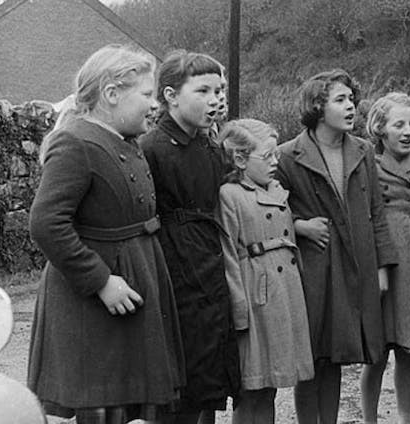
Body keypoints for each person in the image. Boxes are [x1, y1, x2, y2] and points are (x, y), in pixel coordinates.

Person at [28, 44, 185, 424]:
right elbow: (47, 222)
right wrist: (100, 281)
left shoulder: (126, 141)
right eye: (147, 95)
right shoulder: (76, 142)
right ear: (112, 94)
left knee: (128, 409)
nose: (155, 105)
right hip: (95, 300)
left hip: (135, 280)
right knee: (101, 407)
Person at [276, 69, 398, 424]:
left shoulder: (362, 151)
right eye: (340, 100)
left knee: (336, 358)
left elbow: (377, 212)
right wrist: (298, 226)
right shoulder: (287, 155)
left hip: (355, 267)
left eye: (352, 100)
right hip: (313, 271)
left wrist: (381, 268)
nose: (351, 108)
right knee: (312, 360)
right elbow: (267, 209)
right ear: (317, 106)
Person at [139, 50, 240, 424]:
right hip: (174, 272)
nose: (215, 99)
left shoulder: (211, 146)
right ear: (170, 95)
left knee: (208, 381)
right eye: (203, 91)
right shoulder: (151, 148)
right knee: (179, 389)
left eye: (219, 90)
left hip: (209, 264)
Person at [218, 119, 315, 424]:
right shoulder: (229, 195)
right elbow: (228, 255)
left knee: (271, 385)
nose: (275, 163)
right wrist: (238, 307)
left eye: (276, 156)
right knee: (252, 387)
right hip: (254, 293)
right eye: (268, 156)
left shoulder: (276, 190)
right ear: (240, 159)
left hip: (282, 292)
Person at [359, 92, 410, 424]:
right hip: (383, 265)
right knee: (376, 355)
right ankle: (370, 419)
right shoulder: (368, 164)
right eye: (398, 125)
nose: (407, 132)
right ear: (380, 129)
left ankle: (406, 418)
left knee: (408, 352)